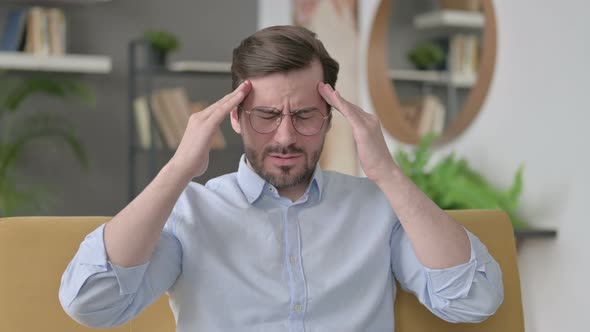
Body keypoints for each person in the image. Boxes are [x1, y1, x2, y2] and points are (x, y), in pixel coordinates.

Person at [59, 25, 503, 332]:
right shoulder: (190, 213)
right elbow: (92, 304)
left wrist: (386, 173)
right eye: (267, 115)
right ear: (235, 117)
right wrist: (177, 171)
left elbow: (473, 298)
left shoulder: (376, 208)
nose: (285, 136)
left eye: (306, 115)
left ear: (331, 118)